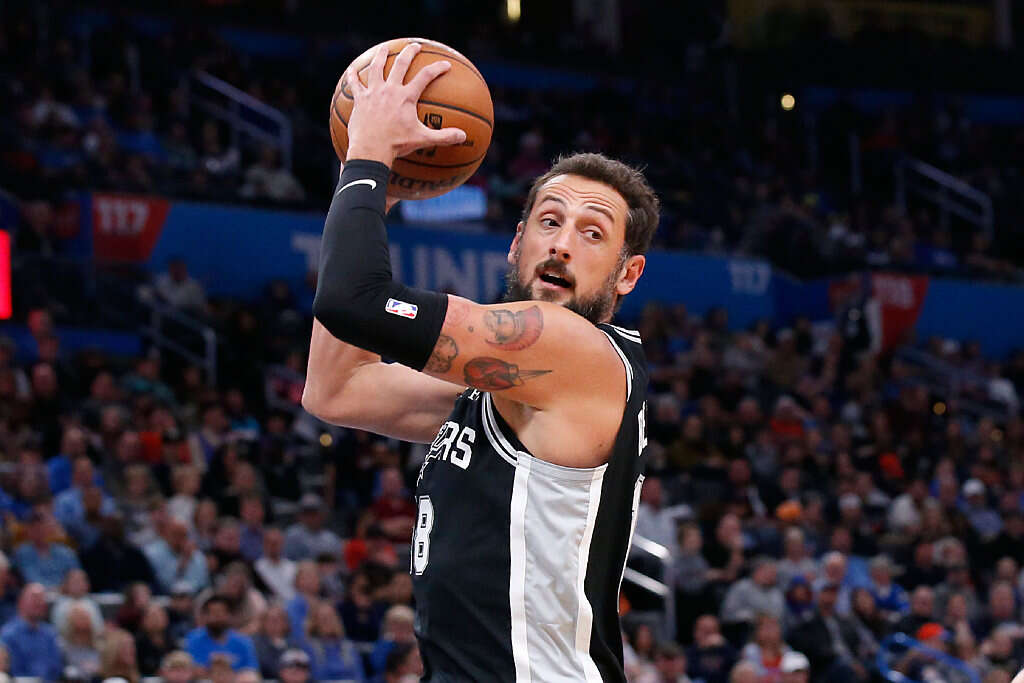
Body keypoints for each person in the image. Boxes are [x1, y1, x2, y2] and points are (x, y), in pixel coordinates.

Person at [302, 42, 659, 681]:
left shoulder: (575, 350)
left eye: (592, 233)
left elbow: (354, 300)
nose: (562, 244)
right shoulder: (506, 389)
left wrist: (368, 156)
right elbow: (336, 389)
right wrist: (382, 195)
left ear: (627, 275)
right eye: (548, 222)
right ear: (516, 243)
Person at [0, 583, 63, 681]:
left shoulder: (50, 633)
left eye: (41, 599)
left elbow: (57, 668)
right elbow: (12, 671)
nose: (39, 602)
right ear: (20, 602)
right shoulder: (8, 634)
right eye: (34, 598)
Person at [184, 596, 258, 672]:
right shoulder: (194, 639)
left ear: (229, 615)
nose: (217, 617)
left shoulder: (243, 641)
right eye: (213, 613)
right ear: (205, 616)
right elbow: (190, 668)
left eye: (221, 613)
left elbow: (252, 669)